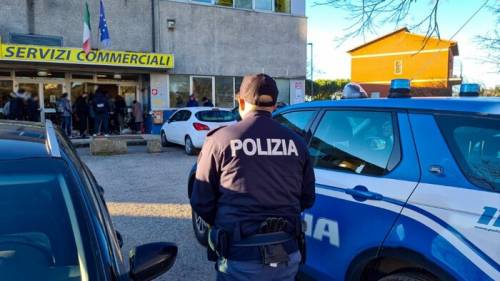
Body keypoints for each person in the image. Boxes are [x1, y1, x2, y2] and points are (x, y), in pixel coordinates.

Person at [190, 74, 316, 281]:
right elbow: (307, 198)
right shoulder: (297, 142)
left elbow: (201, 200)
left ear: (240, 102)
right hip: (287, 253)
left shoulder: (220, 140)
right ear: (274, 106)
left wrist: (225, 223)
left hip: (240, 256)